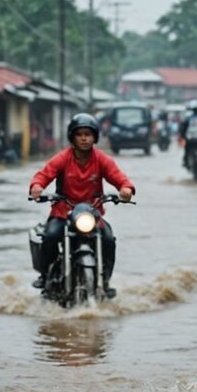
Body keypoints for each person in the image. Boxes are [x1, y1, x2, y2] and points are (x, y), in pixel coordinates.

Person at [28, 113, 135, 298]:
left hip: (92, 215)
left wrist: (126, 189)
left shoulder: (101, 159)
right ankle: (45, 276)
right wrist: (37, 187)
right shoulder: (62, 158)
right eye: (80, 134)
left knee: (109, 240)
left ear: (95, 137)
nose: (84, 138)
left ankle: (105, 280)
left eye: (88, 134)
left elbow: (119, 177)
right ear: (72, 137)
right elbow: (43, 175)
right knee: (50, 236)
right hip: (63, 213)